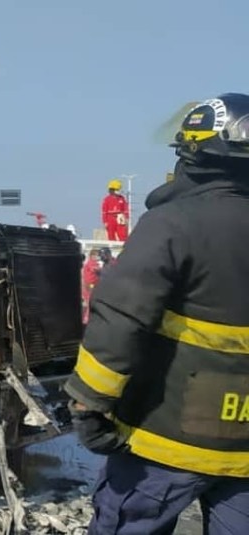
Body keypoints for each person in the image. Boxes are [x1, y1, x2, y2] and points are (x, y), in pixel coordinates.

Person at [65, 93, 249, 534]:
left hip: (162, 448)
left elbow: (120, 319)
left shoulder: (173, 223)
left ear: (191, 151)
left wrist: (89, 403)